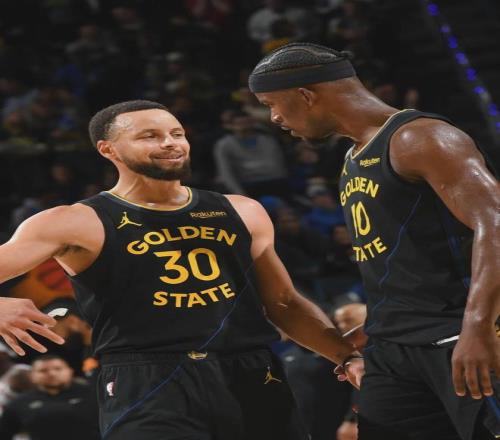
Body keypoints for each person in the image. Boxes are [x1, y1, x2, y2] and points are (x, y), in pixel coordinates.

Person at [0, 100, 363, 439]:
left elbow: (283, 302)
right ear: (108, 150)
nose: (170, 143)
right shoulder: (74, 221)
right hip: (147, 376)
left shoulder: (242, 210)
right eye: (149, 136)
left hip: (251, 370)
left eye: (177, 133)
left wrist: (347, 357)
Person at [248, 42, 500, 440]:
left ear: (306, 95)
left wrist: (479, 325)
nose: (274, 118)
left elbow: (495, 223)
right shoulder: (354, 156)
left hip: (457, 335)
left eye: (272, 104)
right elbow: (408, 259)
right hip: (393, 348)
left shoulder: (420, 137)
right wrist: (383, 321)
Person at [0, 354, 100, 440]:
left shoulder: (94, 394)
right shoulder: (21, 403)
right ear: (32, 376)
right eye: (43, 371)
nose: (52, 374)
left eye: (58, 369)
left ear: (70, 371)